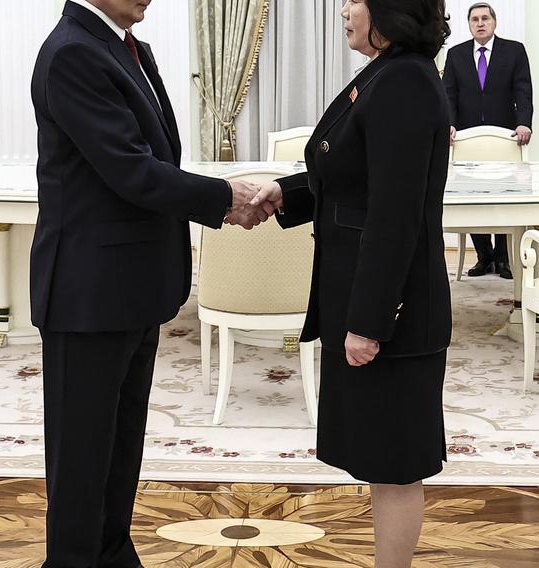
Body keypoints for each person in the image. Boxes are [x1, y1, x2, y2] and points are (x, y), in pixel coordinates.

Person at [29, 1, 268, 566]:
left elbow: (154, 159)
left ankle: (113, 553)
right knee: (82, 460)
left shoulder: (124, 46)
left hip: (130, 284)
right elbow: (130, 169)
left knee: (118, 448)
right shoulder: (72, 53)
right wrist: (221, 198)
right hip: (88, 292)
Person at [252, 0, 452, 565]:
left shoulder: (406, 82)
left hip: (393, 312)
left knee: (395, 464)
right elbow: (351, 176)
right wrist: (285, 193)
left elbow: (395, 216)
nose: (343, 9)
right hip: (366, 298)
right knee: (378, 456)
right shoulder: (387, 74)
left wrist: (368, 323)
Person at [442, 2, 533, 280]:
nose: (480, 23)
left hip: (504, 135)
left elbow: (523, 89)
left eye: (485, 18)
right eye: (474, 20)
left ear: (494, 22)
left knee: (505, 194)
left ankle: (503, 259)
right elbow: (449, 95)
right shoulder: (456, 55)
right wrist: (449, 124)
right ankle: (484, 257)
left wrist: (524, 122)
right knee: (471, 194)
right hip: (468, 137)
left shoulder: (514, 51)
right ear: (469, 25)